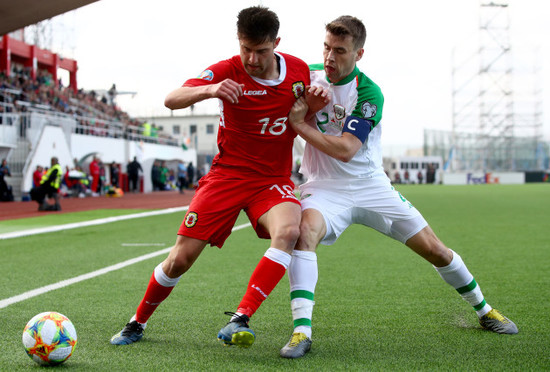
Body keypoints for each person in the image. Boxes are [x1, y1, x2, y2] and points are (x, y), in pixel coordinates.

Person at [279, 15, 518, 359]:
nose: (330, 58)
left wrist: (299, 124)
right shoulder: (306, 74)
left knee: (435, 249)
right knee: (304, 233)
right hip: (324, 187)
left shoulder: (368, 91)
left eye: (340, 51)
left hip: (370, 186)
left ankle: (484, 310)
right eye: (327, 48)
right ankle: (302, 332)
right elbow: (271, 77)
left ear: (359, 54)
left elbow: (347, 150)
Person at [110, 6, 327, 348]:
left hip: (272, 179)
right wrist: (208, 91)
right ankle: (137, 322)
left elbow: (314, 103)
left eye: (261, 50)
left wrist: (318, 101)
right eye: (245, 49)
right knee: (180, 259)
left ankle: (241, 317)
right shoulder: (226, 70)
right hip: (227, 176)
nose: (252, 59)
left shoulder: (300, 70)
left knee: (289, 230)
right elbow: (171, 99)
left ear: (277, 44)